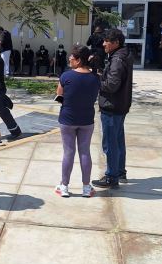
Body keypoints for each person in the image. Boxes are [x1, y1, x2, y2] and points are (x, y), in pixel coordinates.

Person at [55, 45, 100, 198]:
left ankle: (64, 186)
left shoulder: (66, 76)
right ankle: (86, 187)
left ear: (79, 60)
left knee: (68, 152)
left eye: (72, 58)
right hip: (87, 119)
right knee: (85, 152)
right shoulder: (95, 78)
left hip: (67, 119)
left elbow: (59, 95)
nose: (69, 59)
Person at [92, 29, 133, 189]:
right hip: (121, 105)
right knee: (118, 140)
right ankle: (120, 171)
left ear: (115, 43)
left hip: (112, 106)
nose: (103, 44)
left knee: (110, 143)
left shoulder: (117, 60)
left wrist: (95, 80)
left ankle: (111, 176)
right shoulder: (124, 55)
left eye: (106, 41)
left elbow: (111, 85)